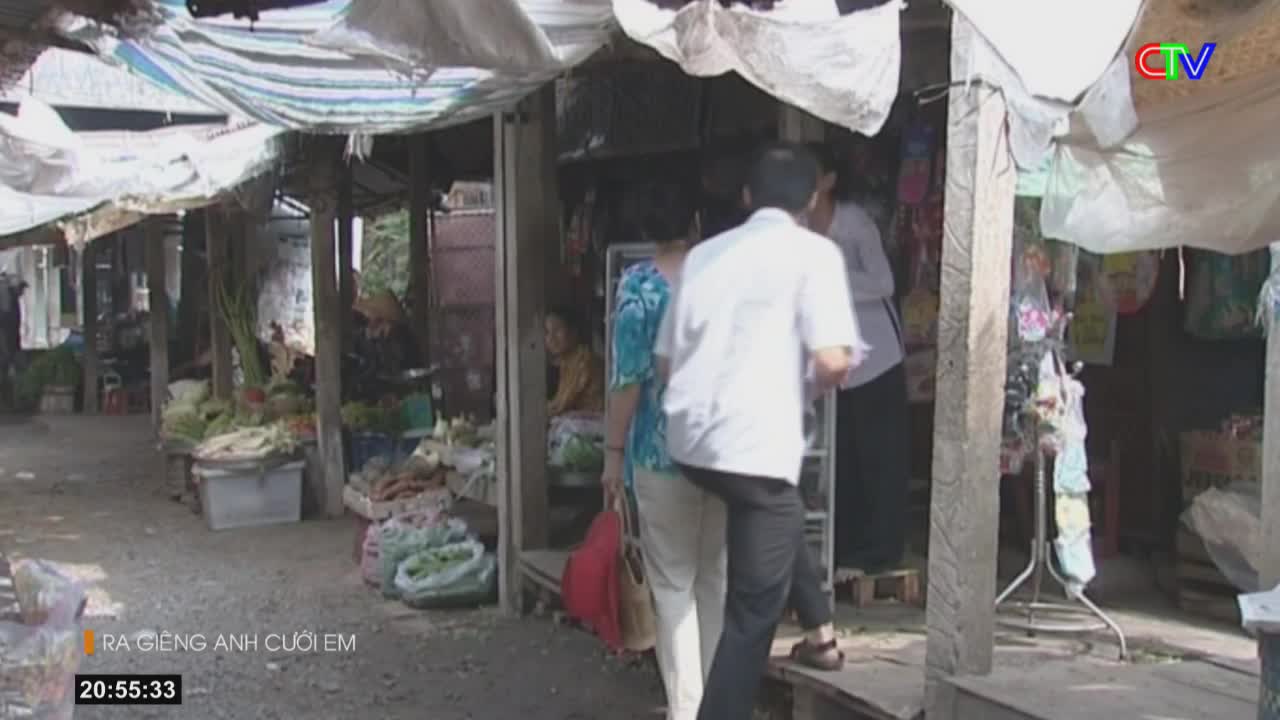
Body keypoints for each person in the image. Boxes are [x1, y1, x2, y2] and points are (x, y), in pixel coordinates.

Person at [656, 143, 866, 720]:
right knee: (752, 613)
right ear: (811, 198)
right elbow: (832, 358)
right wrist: (819, 377)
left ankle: (821, 637)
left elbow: (666, 363)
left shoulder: (702, 256)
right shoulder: (814, 254)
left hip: (691, 444)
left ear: (747, 197)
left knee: (777, 511)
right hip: (753, 444)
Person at [601, 184, 725, 720]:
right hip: (722, 452)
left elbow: (627, 383)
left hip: (659, 456)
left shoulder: (638, 291)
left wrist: (611, 453)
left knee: (674, 584)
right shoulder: (721, 280)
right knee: (716, 577)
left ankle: (687, 710)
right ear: (696, 220)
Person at [810, 146, 910, 574]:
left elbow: (885, 283)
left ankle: (883, 549)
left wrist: (834, 279)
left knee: (879, 457)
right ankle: (846, 546)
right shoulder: (801, 229)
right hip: (838, 363)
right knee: (843, 457)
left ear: (829, 180)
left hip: (878, 359)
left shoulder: (853, 223)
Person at [545, 306, 605, 416]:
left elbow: (560, 405)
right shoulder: (566, 362)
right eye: (548, 332)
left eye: (557, 330)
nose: (551, 338)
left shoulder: (583, 360)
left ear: (573, 332)